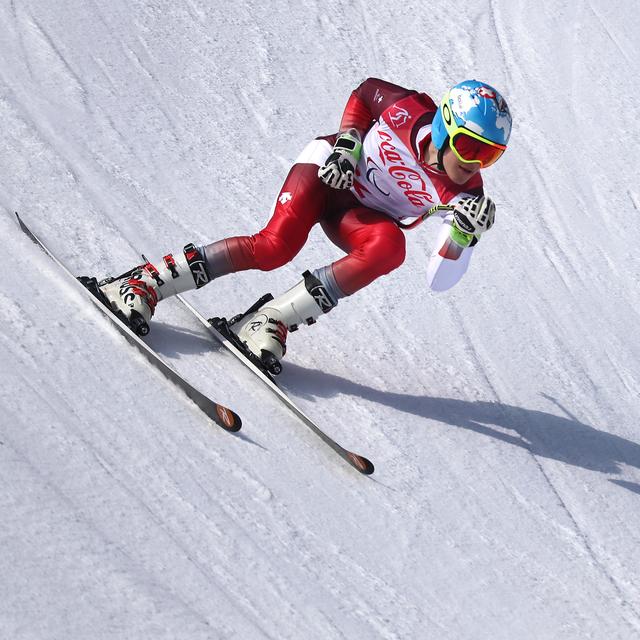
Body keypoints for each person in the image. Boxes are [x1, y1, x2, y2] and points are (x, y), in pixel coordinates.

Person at [99, 78, 512, 373]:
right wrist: (349, 144)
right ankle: (143, 283)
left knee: (391, 247)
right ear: (443, 127)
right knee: (275, 247)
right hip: (328, 172)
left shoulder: (467, 195)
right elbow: (366, 93)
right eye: (469, 145)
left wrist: (462, 238)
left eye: (489, 155)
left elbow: (439, 282)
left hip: (355, 216)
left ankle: (270, 319)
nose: (473, 162)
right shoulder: (408, 110)